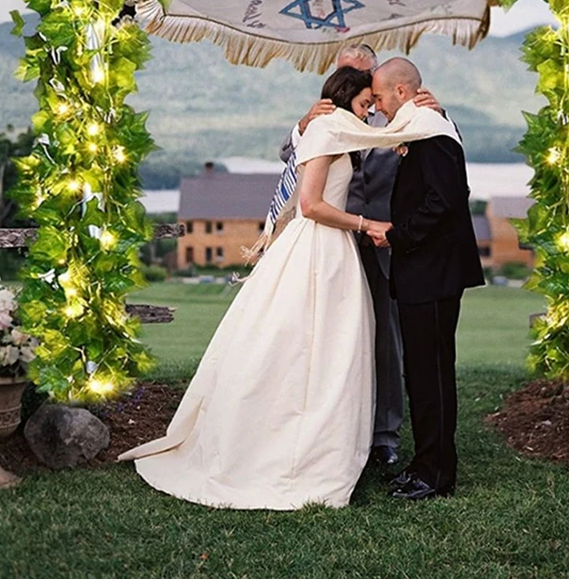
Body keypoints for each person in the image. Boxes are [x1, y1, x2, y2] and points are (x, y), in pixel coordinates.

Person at [119, 66, 460, 510]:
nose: (371, 111)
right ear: (345, 99)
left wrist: (435, 114)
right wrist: (367, 223)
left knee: (349, 353)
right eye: (365, 103)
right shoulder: (324, 129)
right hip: (323, 247)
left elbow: (415, 143)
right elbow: (310, 204)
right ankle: (285, 449)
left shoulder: (381, 128)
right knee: (295, 347)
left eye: (375, 101)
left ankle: (366, 444)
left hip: (357, 255)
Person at [280, 43, 442, 468]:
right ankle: (327, 432)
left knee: (385, 341)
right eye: (343, 75)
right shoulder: (326, 118)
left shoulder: (400, 111)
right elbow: (292, 158)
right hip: (334, 244)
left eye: (360, 77)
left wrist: (438, 114)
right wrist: (302, 125)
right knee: (326, 340)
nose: (350, 84)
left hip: (387, 243)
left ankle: (383, 437)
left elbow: (437, 147)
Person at [369, 58, 485, 501]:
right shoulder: (420, 129)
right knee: (419, 375)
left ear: (401, 92)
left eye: (379, 97)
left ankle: (437, 475)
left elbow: (444, 201)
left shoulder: (432, 134)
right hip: (422, 274)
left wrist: (396, 235)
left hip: (434, 275)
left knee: (431, 376)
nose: (377, 107)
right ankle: (423, 464)